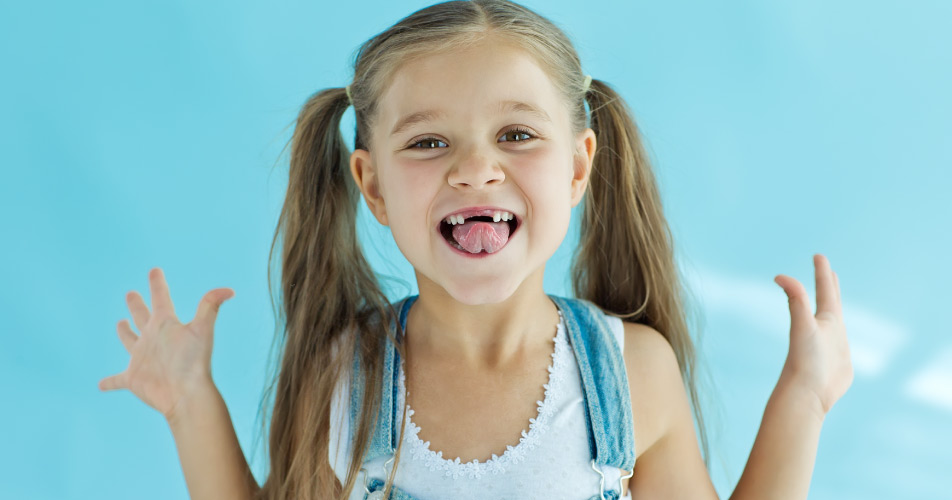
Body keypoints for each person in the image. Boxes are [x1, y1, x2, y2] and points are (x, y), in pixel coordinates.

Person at [98, 1, 854, 499]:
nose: (475, 168)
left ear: (579, 167)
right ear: (375, 187)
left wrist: (804, 398)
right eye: (428, 142)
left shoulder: (632, 371)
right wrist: (190, 404)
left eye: (517, 135)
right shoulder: (344, 375)